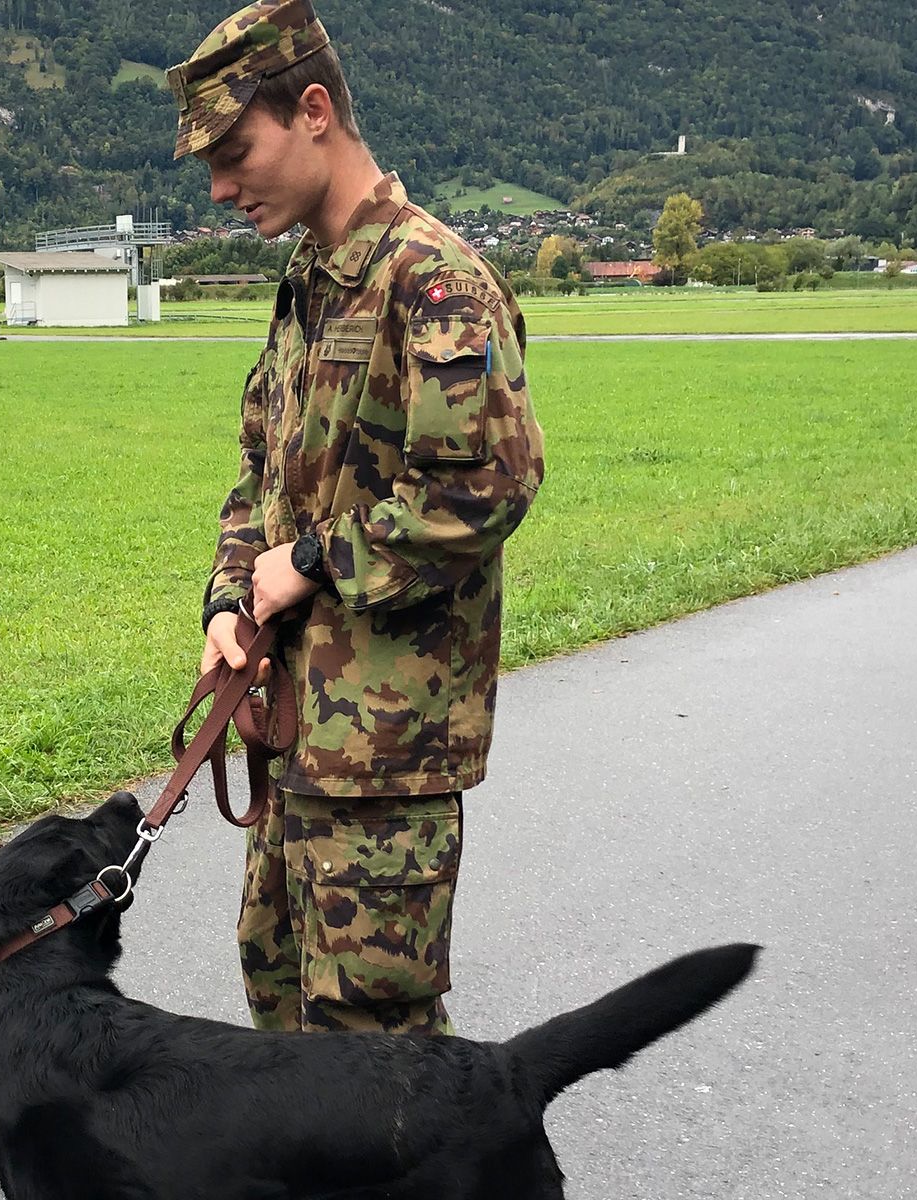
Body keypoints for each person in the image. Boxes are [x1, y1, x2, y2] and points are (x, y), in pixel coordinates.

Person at [170, 0, 546, 1036]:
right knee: (280, 1010)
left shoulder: (433, 281)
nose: (220, 188)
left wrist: (313, 561)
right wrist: (228, 599)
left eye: (235, 154)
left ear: (315, 112)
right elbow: (260, 469)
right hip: (293, 731)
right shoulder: (310, 280)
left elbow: (488, 485)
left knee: (376, 1054)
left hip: (383, 756)